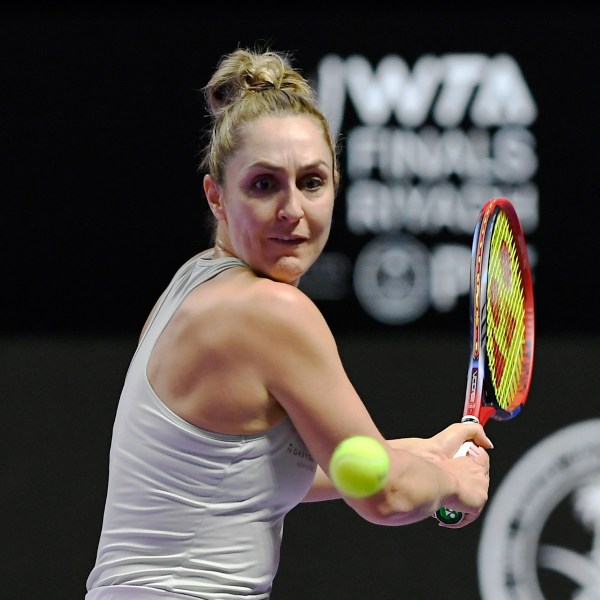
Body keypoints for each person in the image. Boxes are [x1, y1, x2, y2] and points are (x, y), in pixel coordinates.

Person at [85, 46, 492, 600]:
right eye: (264, 185)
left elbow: (249, 476)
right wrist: (451, 482)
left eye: (312, 181)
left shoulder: (194, 282)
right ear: (216, 196)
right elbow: (384, 496)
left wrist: (421, 452)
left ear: (336, 186)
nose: (292, 209)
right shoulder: (271, 312)